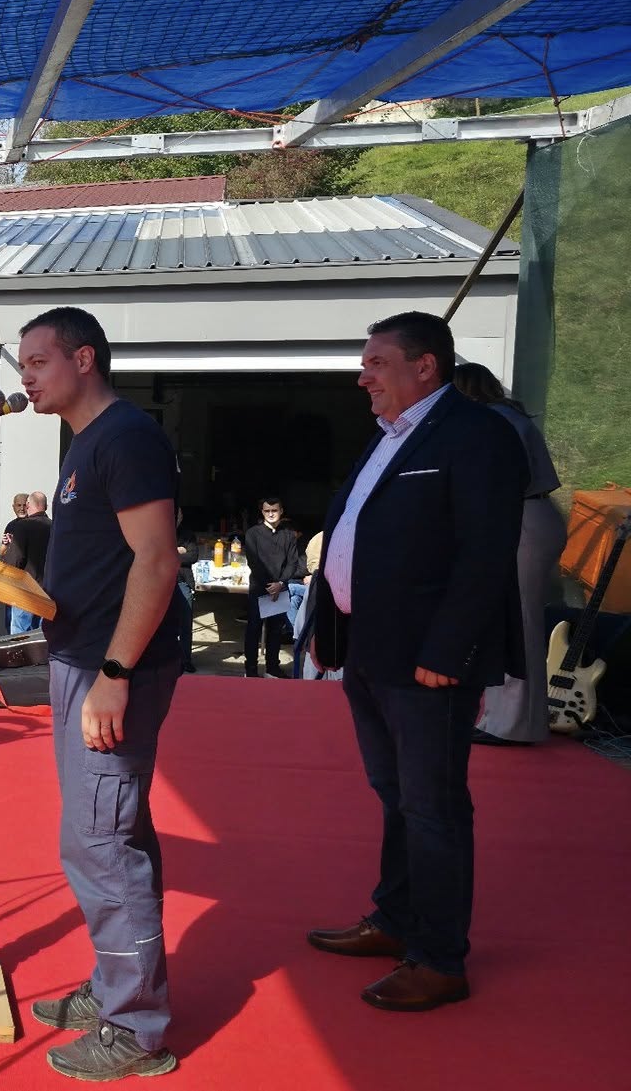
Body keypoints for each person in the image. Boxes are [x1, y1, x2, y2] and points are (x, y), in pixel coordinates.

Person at [305, 312, 525, 1013]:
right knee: (395, 794)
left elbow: (485, 554)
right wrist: (329, 625)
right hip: (369, 649)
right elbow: (354, 531)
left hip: (427, 661)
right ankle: (395, 917)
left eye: (376, 362)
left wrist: (449, 650)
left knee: (433, 807)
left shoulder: (478, 434)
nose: (362, 376)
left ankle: (439, 957)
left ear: (425, 365)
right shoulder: (390, 435)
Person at [16, 307, 185, 1081]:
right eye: (23, 362)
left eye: (39, 360)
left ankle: (136, 1026)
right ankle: (118, 984)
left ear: (84, 359)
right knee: (113, 833)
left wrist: (114, 675)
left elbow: (156, 560)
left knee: (101, 842)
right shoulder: (85, 441)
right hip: (82, 659)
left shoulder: (125, 437)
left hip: (114, 669)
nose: (26, 375)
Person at [452, 363, 564, 746]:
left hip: (521, 518)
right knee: (517, 622)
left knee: (518, 623)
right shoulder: (508, 416)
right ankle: (515, 720)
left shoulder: (496, 422)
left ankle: (512, 722)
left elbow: (497, 481)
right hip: (532, 515)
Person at [239, 498, 305, 678]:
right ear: (262, 512)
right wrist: (270, 585)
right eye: (267, 510)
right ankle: (251, 669)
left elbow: (293, 563)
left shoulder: (289, 535)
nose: (271, 514)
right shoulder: (253, 533)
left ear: (281, 511)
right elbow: (253, 562)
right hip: (259, 588)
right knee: (254, 629)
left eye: (274, 510)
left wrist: (281, 583)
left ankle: (272, 668)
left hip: (280, 588)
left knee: (276, 630)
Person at [0, 491, 52, 634]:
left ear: (28, 505)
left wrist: (5, 575)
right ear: (46, 507)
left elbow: (16, 559)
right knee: (41, 631)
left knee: (20, 631)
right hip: (48, 588)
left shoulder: (23, 526)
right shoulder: (55, 526)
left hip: (25, 588)